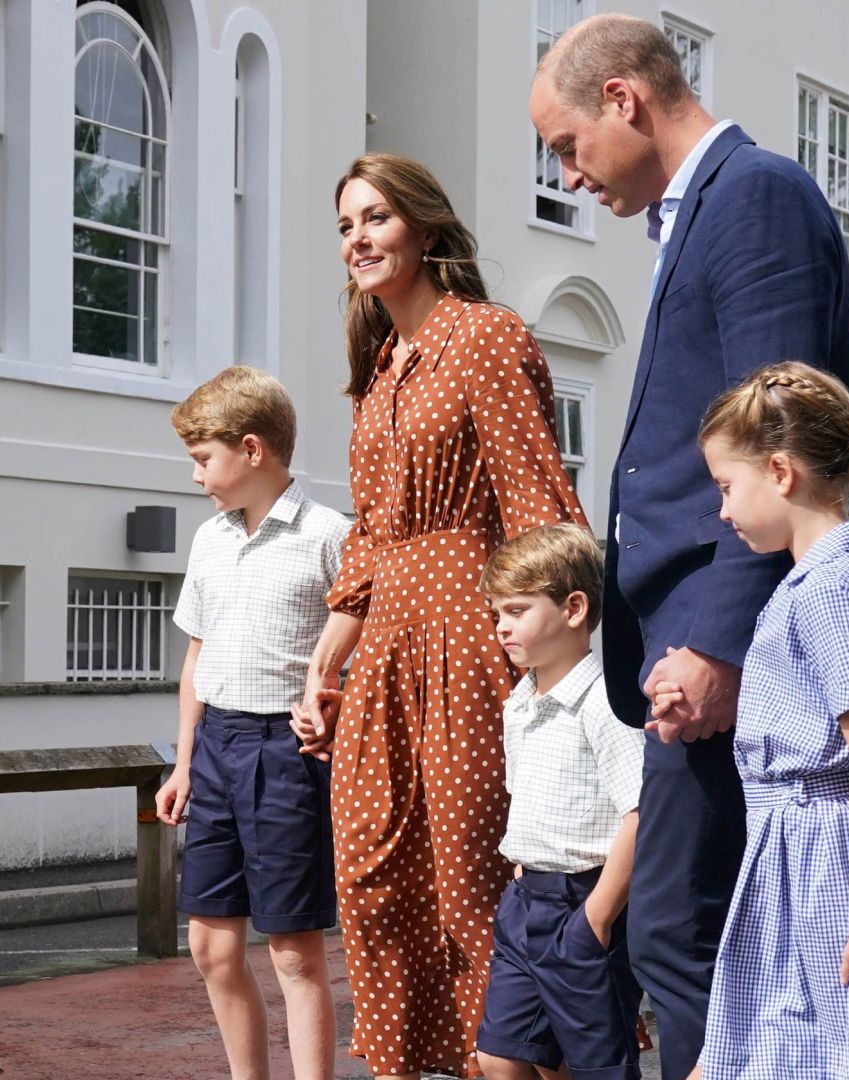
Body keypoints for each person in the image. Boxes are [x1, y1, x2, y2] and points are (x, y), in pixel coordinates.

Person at [529, 13, 849, 1076]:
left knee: (683, 929)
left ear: (624, 98)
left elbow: (781, 449)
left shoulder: (754, 196)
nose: (571, 178)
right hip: (680, 632)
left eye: (569, 147)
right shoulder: (702, 213)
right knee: (680, 930)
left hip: (720, 633)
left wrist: (717, 643)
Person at [293, 153, 585, 1080]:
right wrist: (324, 666)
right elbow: (371, 544)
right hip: (383, 650)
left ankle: (509, 1062)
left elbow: (538, 504)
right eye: (346, 226)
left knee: (469, 882)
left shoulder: (486, 337)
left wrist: (555, 662)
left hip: (470, 631)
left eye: (375, 218)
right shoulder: (378, 372)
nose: (359, 240)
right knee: (374, 885)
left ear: (422, 227)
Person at [652, 361, 849, 1078]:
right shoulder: (815, 583)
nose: (724, 511)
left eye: (728, 488)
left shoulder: (833, 586)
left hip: (830, 867)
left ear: (780, 471)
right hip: (792, 863)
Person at [155, 365, 348, 1080]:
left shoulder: (331, 535)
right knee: (210, 947)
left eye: (204, 458)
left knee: (295, 953)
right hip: (214, 749)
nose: (196, 475)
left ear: (253, 448)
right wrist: (182, 762)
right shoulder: (209, 540)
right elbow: (196, 657)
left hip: (286, 756)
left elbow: (362, 651)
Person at [473, 523, 645, 1080]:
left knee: (592, 1065)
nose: (502, 626)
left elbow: (640, 815)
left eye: (518, 610)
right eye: (497, 612)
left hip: (586, 901)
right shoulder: (518, 703)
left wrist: (596, 919)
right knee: (501, 1055)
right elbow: (525, 798)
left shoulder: (606, 704)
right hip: (527, 902)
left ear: (574, 608)